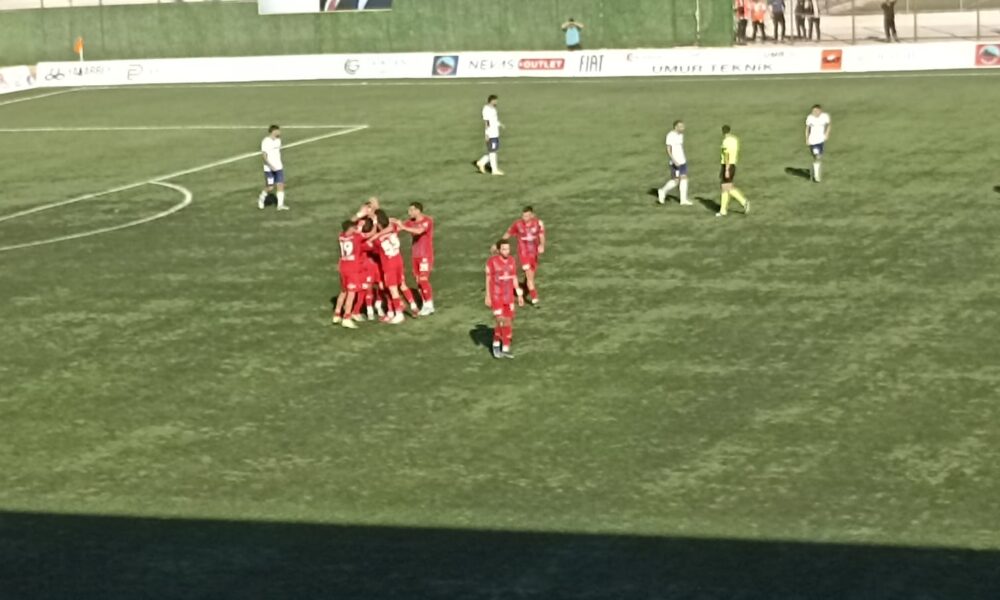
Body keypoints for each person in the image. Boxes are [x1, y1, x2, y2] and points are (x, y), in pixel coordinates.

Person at [369, 209, 419, 324]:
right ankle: (413, 306)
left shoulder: (377, 240)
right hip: (398, 261)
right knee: (402, 284)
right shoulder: (393, 229)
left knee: (393, 290)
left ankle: (399, 314)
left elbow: (372, 246)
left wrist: (374, 233)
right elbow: (395, 224)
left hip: (389, 265)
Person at [394, 202, 436, 316]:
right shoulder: (410, 222)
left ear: (418, 210)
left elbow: (419, 231)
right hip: (415, 255)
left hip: (425, 255)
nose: (409, 213)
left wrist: (403, 227)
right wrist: (392, 223)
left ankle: (429, 305)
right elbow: (398, 227)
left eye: (411, 210)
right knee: (418, 281)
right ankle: (425, 304)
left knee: (423, 279)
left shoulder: (427, 221)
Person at [485, 240, 525, 359]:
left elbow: (514, 277)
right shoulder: (492, 262)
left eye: (508, 249)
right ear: (498, 250)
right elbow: (488, 279)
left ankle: (502, 347)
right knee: (502, 321)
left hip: (509, 297)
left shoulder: (512, 260)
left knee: (507, 322)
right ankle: (499, 347)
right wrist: (487, 296)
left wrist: (519, 294)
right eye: (504, 249)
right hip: (497, 296)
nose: (507, 251)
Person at [503, 206, 545, 306]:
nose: (524, 218)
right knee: (530, 278)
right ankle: (534, 298)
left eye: (526, 216)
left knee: (530, 275)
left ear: (532, 216)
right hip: (524, 254)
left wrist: (542, 245)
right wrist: (499, 244)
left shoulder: (538, 223)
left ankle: (524, 285)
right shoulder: (518, 224)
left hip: (533, 254)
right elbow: (508, 233)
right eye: (523, 216)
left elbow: (541, 235)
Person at [333, 220, 365, 329]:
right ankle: (347, 317)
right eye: (353, 228)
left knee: (343, 292)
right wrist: (373, 223)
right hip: (352, 269)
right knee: (351, 294)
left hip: (343, 267)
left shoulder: (341, 236)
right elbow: (369, 234)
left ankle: (337, 314)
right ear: (350, 228)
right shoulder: (356, 237)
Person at [717, 125, 750, 217]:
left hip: (727, 165)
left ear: (723, 132)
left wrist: (726, 169)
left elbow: (726, 155)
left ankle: (744, 202)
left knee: (727, 187)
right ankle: (723, 210)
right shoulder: (735, 140)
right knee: (725, 187)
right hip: (733, 164)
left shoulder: (725, 141)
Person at [658, 120, 692, 206]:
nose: (683, 128)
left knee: (684, 178)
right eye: (681, 126)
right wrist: (674, 160)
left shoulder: (681, 135)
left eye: (683, 126)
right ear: (676, 127)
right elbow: (668, 150)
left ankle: (683, 200)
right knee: (676, 180)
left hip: (682, 161)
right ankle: (662, 191)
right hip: (675, 162)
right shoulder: (670, 136)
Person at [258, 125, 289, 210]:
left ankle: (280, 205)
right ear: (273, 131)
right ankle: (261, 198)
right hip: (269, 169)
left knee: (280, 185)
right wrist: (270, 165)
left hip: (278, 167)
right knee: (270, 187)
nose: (280, 132)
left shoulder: (278, 140)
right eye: (278, 131)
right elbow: (264, 156)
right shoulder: (266, 141)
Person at [475, 95, 504, 176]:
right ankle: (494, 170)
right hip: (491, 134)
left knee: (493, 151)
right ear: (491, 101)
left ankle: (481, 162)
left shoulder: (493, 109)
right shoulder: (486, 110)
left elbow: (494, 120)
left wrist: (500, 124)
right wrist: (487, 134)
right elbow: (487, 122)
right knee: (493, 152)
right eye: (495, 100)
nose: (496, 102)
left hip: (495, 133)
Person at [805, 104, 831, 183]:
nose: (814, 112)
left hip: (821, 140)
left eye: (816, 111)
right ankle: (816, 176)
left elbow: (829, 125)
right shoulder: (810, 118)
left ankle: (815, 170)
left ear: (820, 111)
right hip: (813, 141)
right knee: (817, 156)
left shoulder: (825, 116)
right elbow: (807, 128)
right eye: (813, 111)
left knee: (818, 157)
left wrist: (827, 134)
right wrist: (807, 139)